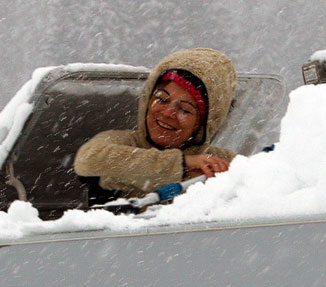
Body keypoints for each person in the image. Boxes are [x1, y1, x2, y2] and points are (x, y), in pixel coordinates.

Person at [74, 48, 238, 209]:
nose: (167, 113)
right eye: (161, 99)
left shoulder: (222, 161)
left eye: (184, 110)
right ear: (147, 99)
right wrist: (182, 165)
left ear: (202, 125)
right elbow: (87, 160)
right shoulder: (121, 142)